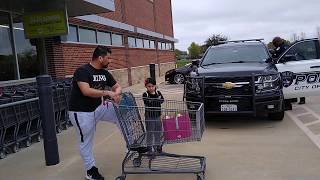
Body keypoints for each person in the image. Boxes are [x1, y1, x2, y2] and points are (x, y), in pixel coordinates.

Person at [68, 46, 122, 180]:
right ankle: (90, 170)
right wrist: (107, 92)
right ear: (100, 58)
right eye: (108, 58)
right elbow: (86, 91)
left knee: (122, 113)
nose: (110, 60)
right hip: (81, 112)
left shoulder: (104, 73)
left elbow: (117, 86)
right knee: (86, 140)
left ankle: (133, 146)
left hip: (98, 107)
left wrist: (116, 94)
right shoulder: (82, 71)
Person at [142, 77, 164, 153]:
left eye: (152, 86)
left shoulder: (158, 93)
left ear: (155, 86)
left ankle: (158, 145)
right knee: (150, 132)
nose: (151, 88)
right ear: (146, 86)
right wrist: (157, 99)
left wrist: (156, 98)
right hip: (149, 117)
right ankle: (149, 148)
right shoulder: (145, 94)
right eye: (149, 86)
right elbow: (148, 102)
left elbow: (162, 101)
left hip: (158, 116)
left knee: (158, 131)